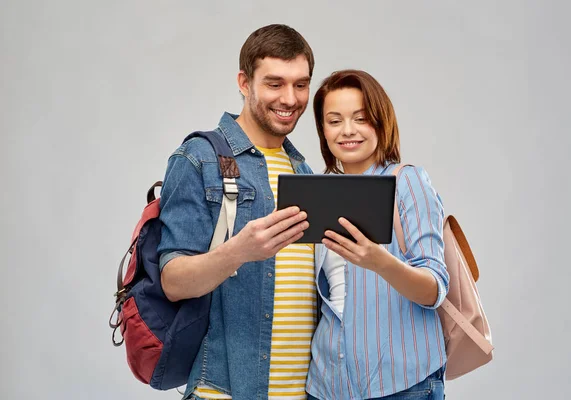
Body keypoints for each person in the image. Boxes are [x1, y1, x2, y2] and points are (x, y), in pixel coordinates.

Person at [158, 24, 317, 400]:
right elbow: (173, 281)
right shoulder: (199, 158)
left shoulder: (304, 172)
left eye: (300, 84)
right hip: (225, 392)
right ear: (244, 83)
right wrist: (239, 252)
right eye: (274, 84)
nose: (290, 98)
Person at [305, 70, 450, 400]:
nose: (348, 131)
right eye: (334, 120)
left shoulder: (407, 182)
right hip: (327, 387)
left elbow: (435, 289)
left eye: (361, 118)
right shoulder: (317, 194)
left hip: (403, 385)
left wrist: (380, 262)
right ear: (323, 130)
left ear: (380, 122)